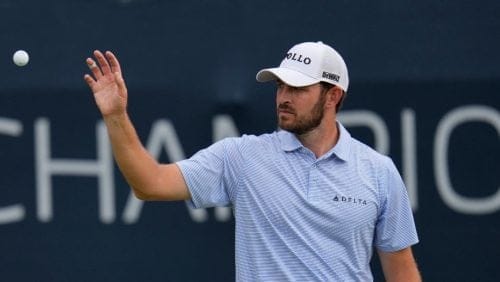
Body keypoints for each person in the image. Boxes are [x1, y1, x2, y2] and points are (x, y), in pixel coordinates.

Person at [84, 41, 421, 281]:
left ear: (333, 96)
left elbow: (401, 269)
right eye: (280, 86)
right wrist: (116, 115)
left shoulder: (378, 171)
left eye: (298, 89)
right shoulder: (242, 157)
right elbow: (150, 183)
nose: (284, 98)